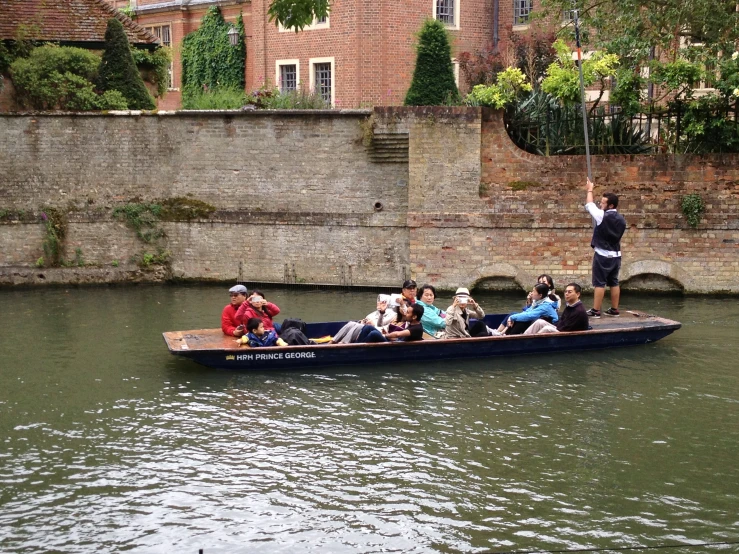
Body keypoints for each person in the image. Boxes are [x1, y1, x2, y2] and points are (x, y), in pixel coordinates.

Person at [586, 177, 627, 318]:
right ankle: (614, 310)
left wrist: (590, 189)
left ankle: (596, 310)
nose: (600, 204)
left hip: (602, 255)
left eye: (603, 203)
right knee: (614, 282)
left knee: (599, 283)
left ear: (610, 205)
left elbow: (589, 205)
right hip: (616, 255)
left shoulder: (602, 216)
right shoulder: (622, 220)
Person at [523, 283, 590, 335]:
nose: (566, 294)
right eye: (565, 292)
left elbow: (567, 329)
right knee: (539, 322)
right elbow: (562, 322)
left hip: (568, 335)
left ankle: (531, 341)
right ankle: (523, 337)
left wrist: (553, 327)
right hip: (561, 329)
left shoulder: (579, 311)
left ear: (578, 294)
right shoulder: (570, 306)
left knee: (547, 328)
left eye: (569, 292)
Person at [331, 295, 398, 344]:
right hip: (370, 329)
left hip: (381, 333)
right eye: (379, 301)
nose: (379, 303)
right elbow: (369, 319)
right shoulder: (376, 313)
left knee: (367, 329)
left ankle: (343, 343)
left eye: (383, 302)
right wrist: (364, 321)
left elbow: (383, 328)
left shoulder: (393, 315)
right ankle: (333, 341)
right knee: (352, 323)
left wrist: (374, 325)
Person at [356, 303, 425, 343]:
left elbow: (397, 334)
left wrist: (385, 335)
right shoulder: (411, 324)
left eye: (407, 312)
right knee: (368, 327)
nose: (405, 314)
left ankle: (358, 349)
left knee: (374, 334)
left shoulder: (417, 328)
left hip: (398, 348)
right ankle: (357, 344)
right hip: (395, 341)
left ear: (414, 317)